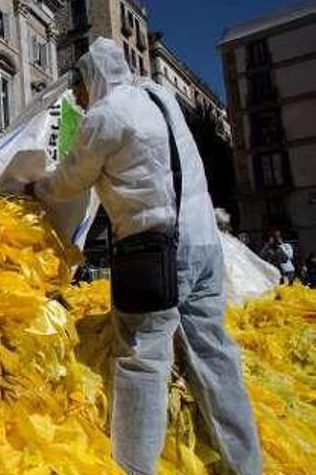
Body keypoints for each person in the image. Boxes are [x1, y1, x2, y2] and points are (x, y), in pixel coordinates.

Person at [33, 38, 261, 474]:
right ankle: (245, 465)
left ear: (92, 79)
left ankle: (135, 467)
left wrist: (35, 188)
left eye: (79, 88)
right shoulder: (160, 98)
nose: (78, 99)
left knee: (143, 357)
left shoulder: (106, 116)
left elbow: (71, 180)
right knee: (215, 356)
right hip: (204, 244)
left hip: (155, 250)